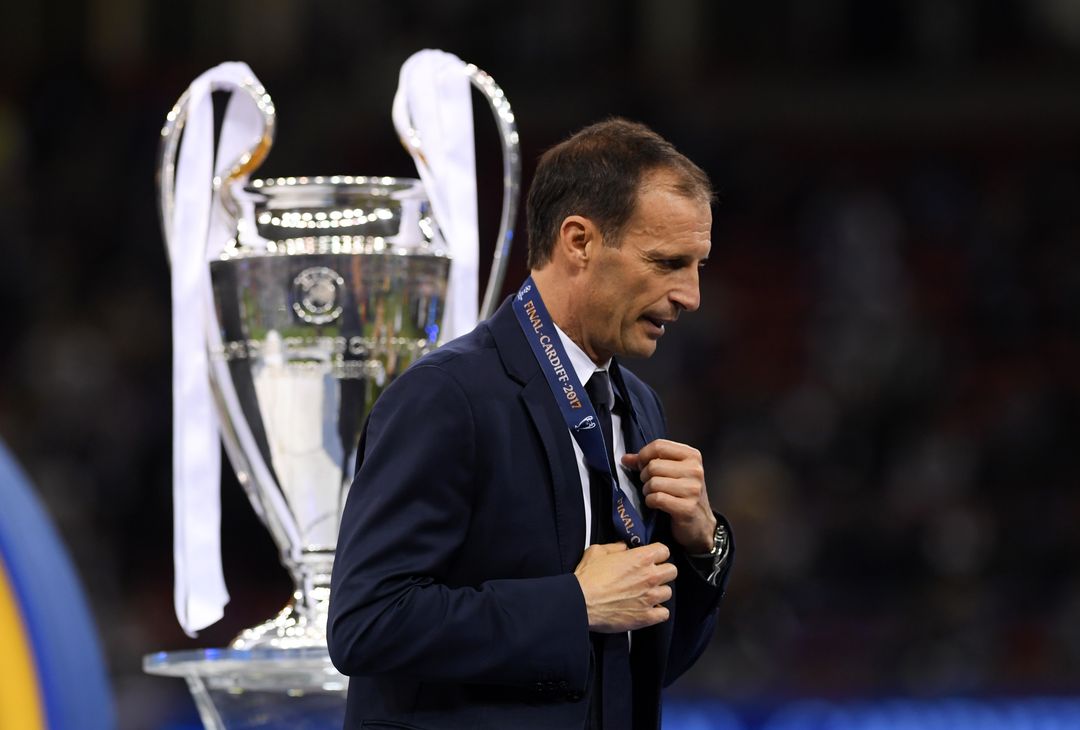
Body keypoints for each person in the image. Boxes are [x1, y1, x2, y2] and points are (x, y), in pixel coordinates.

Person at [328, 118, 733, 730]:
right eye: (668, 262)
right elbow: (367, 623)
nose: (691, 295)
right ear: (579, 242)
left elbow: (637, 663)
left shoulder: (638, 406)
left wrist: (705, 546)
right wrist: (571, 605)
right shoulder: (446, 396)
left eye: (697, 265)